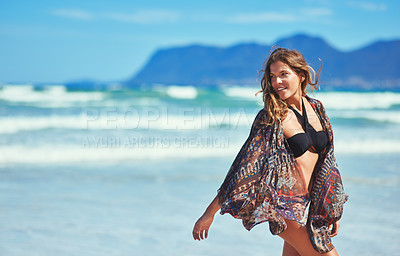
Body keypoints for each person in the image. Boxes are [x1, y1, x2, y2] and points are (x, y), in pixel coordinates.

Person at [192, 47, 348, 256]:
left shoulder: (317, 108)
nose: (277, 82)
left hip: (308, 209)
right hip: (283, 209)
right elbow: (244, 166)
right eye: (273, 77)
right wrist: (208, 213)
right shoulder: (271, 117)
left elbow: (328, 162)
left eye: (284, 74)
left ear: (301, 76)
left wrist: (332, 209)